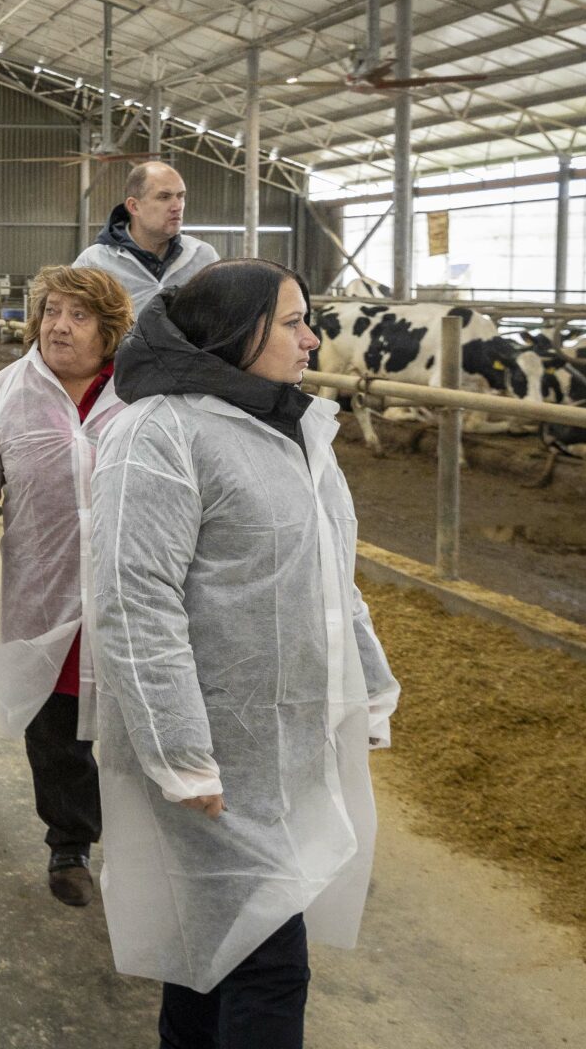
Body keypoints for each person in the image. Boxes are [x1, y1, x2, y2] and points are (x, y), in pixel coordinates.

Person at [90, 259, 400, 1049]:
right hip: (211, 753)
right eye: (293, 323)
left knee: (213, 949)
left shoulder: (293, 427)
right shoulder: (160, 432)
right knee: (270, 963)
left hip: (285, 746)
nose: (311, 339)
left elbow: (333, 572)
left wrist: (368, 683)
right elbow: (133, 601)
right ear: (237, 332)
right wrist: (181, 755)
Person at [0, 265, 132, 906]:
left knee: (135, 721)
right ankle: (69, 841)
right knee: (54, 726)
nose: (59, 326)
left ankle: (141, 845)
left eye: (79, 315)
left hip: (133, 593)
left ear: (110, 330)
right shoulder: (5, 392)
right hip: (44, 588)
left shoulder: (140, 394)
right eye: (51, 311)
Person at [73, 162, 219, 313]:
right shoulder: (94, 263)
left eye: (180, 196)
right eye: (164, 197)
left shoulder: (204, 257)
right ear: (134, 206)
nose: (177, 206)